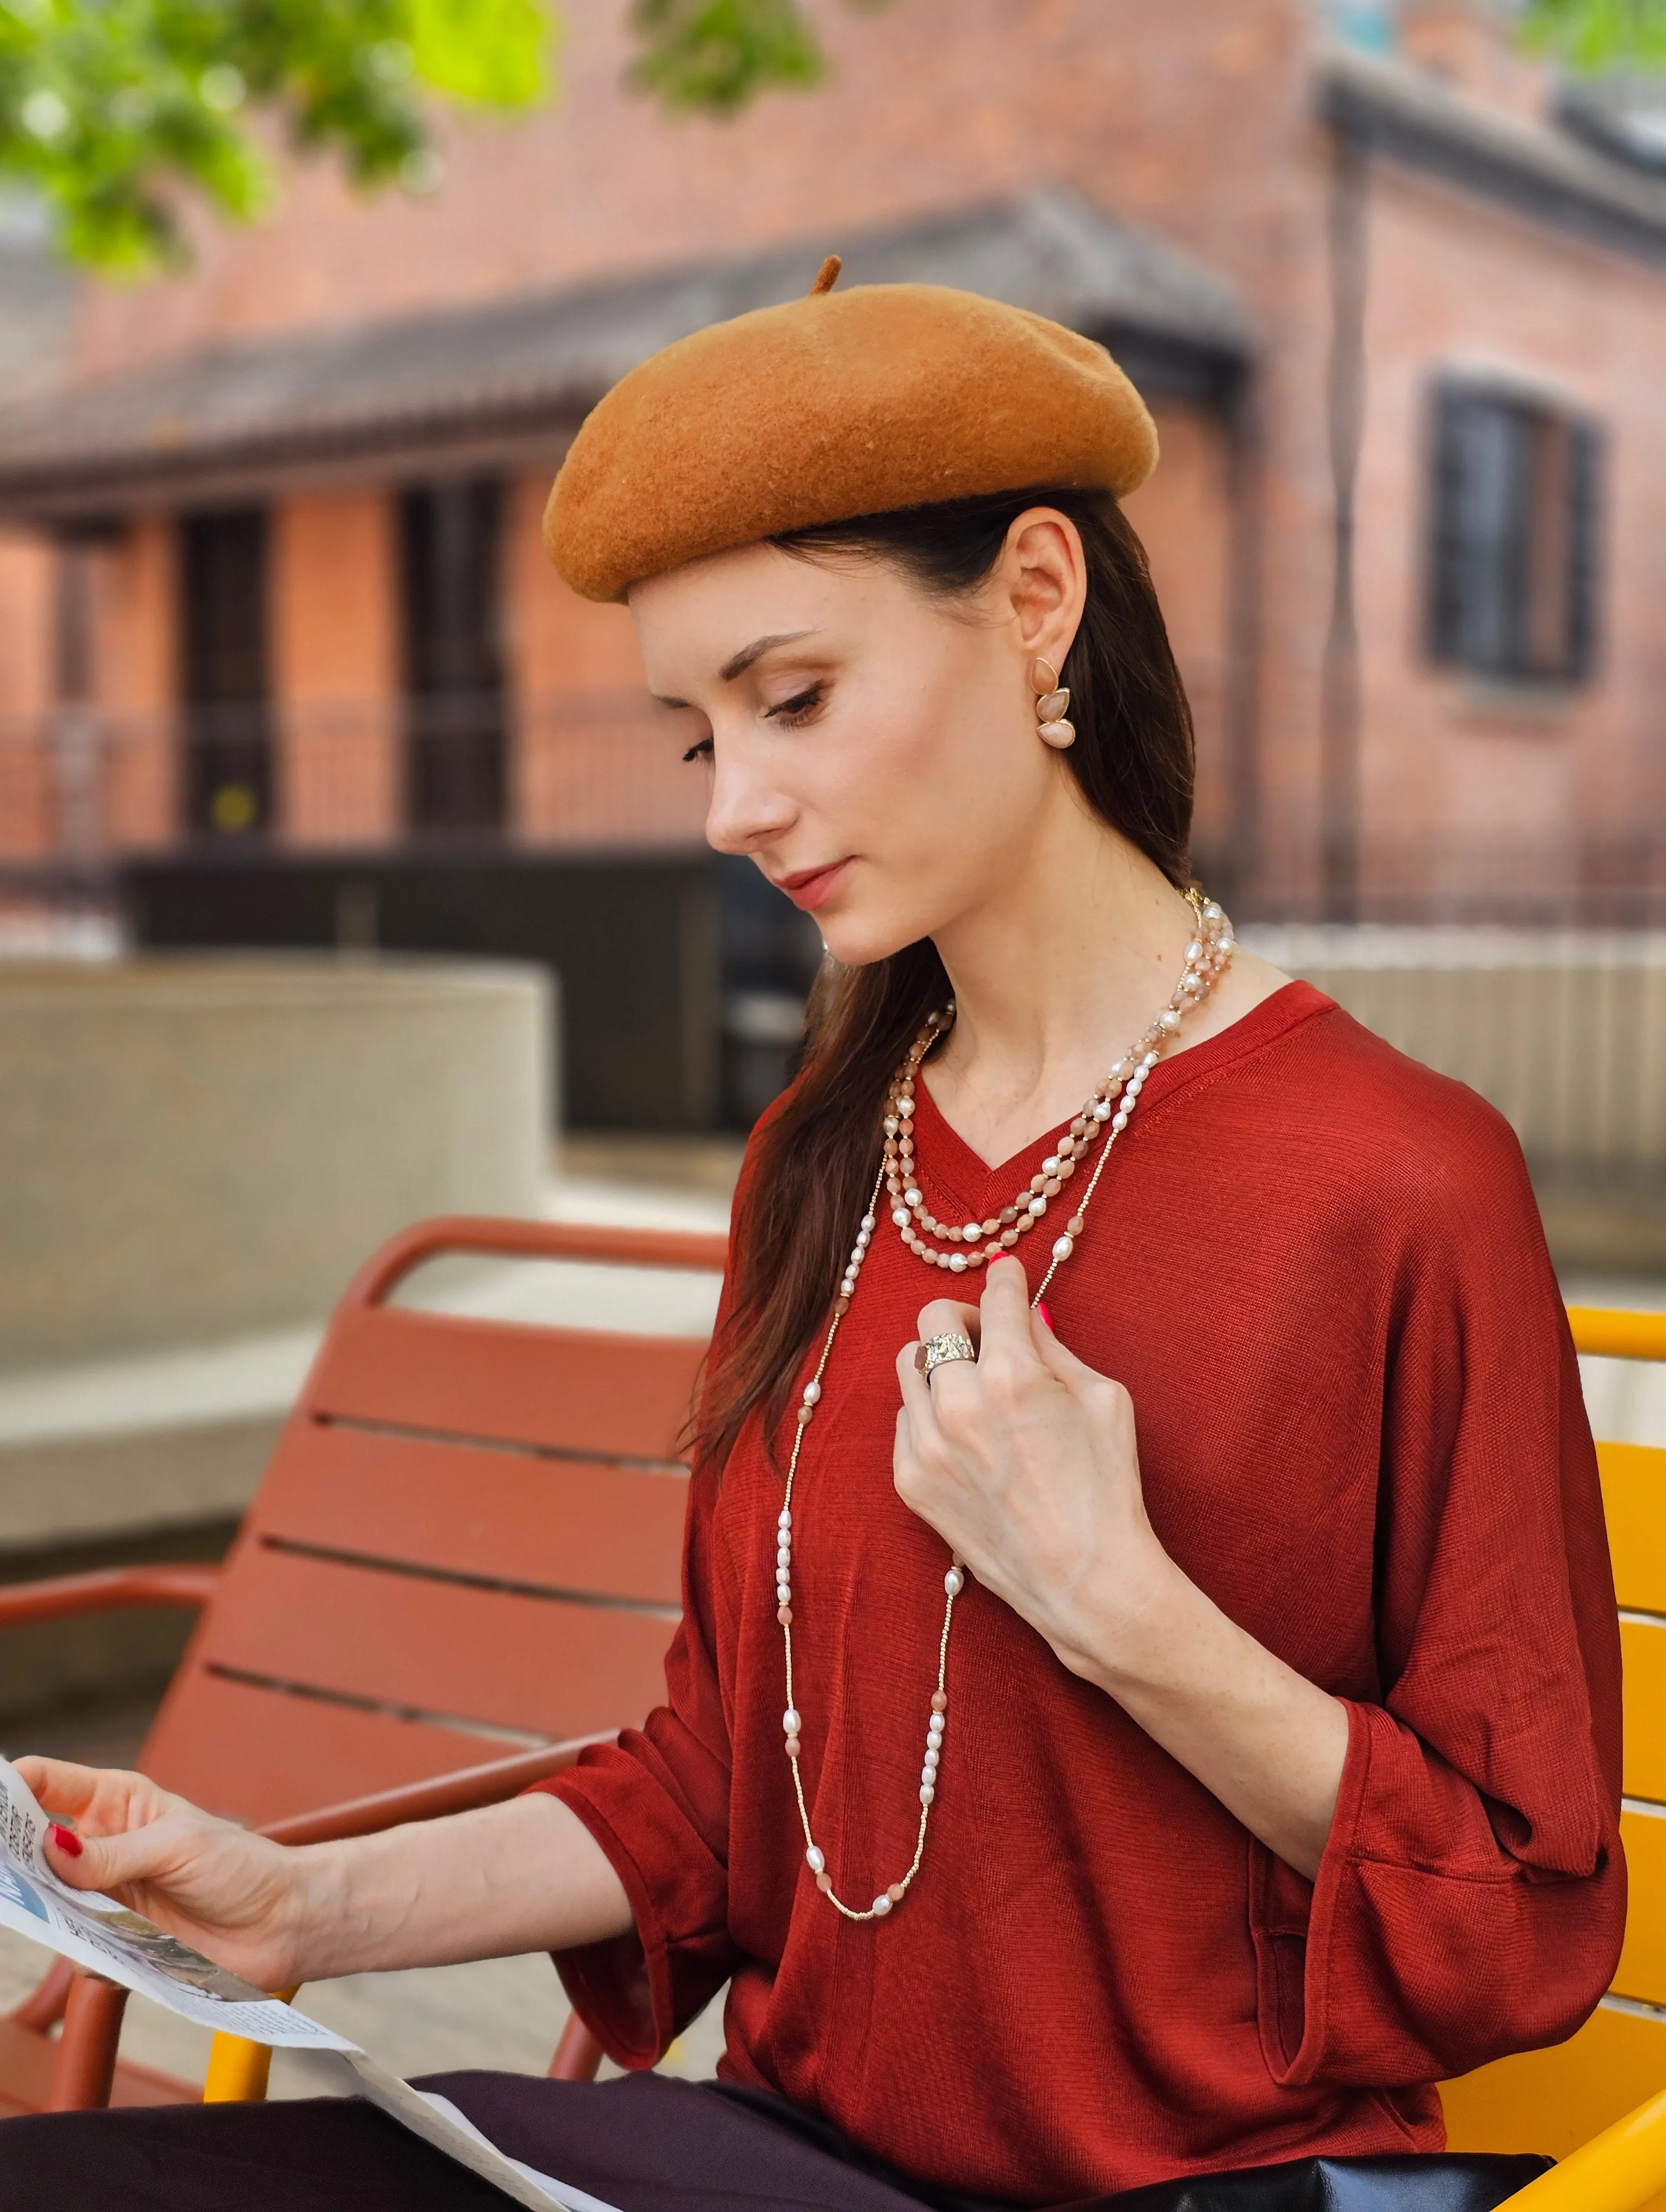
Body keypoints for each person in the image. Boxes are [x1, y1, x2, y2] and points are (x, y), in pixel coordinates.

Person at [0, 264, 1623, 2212]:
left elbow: (1517, 1918)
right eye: (699, 735)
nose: (735, 806)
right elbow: (716, 1794)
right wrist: (293, 1908)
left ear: (1039, 599)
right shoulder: (825, 1161)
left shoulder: (1399, 1181)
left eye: (794, 697)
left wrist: (1118, 1603)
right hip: (773, 2155)